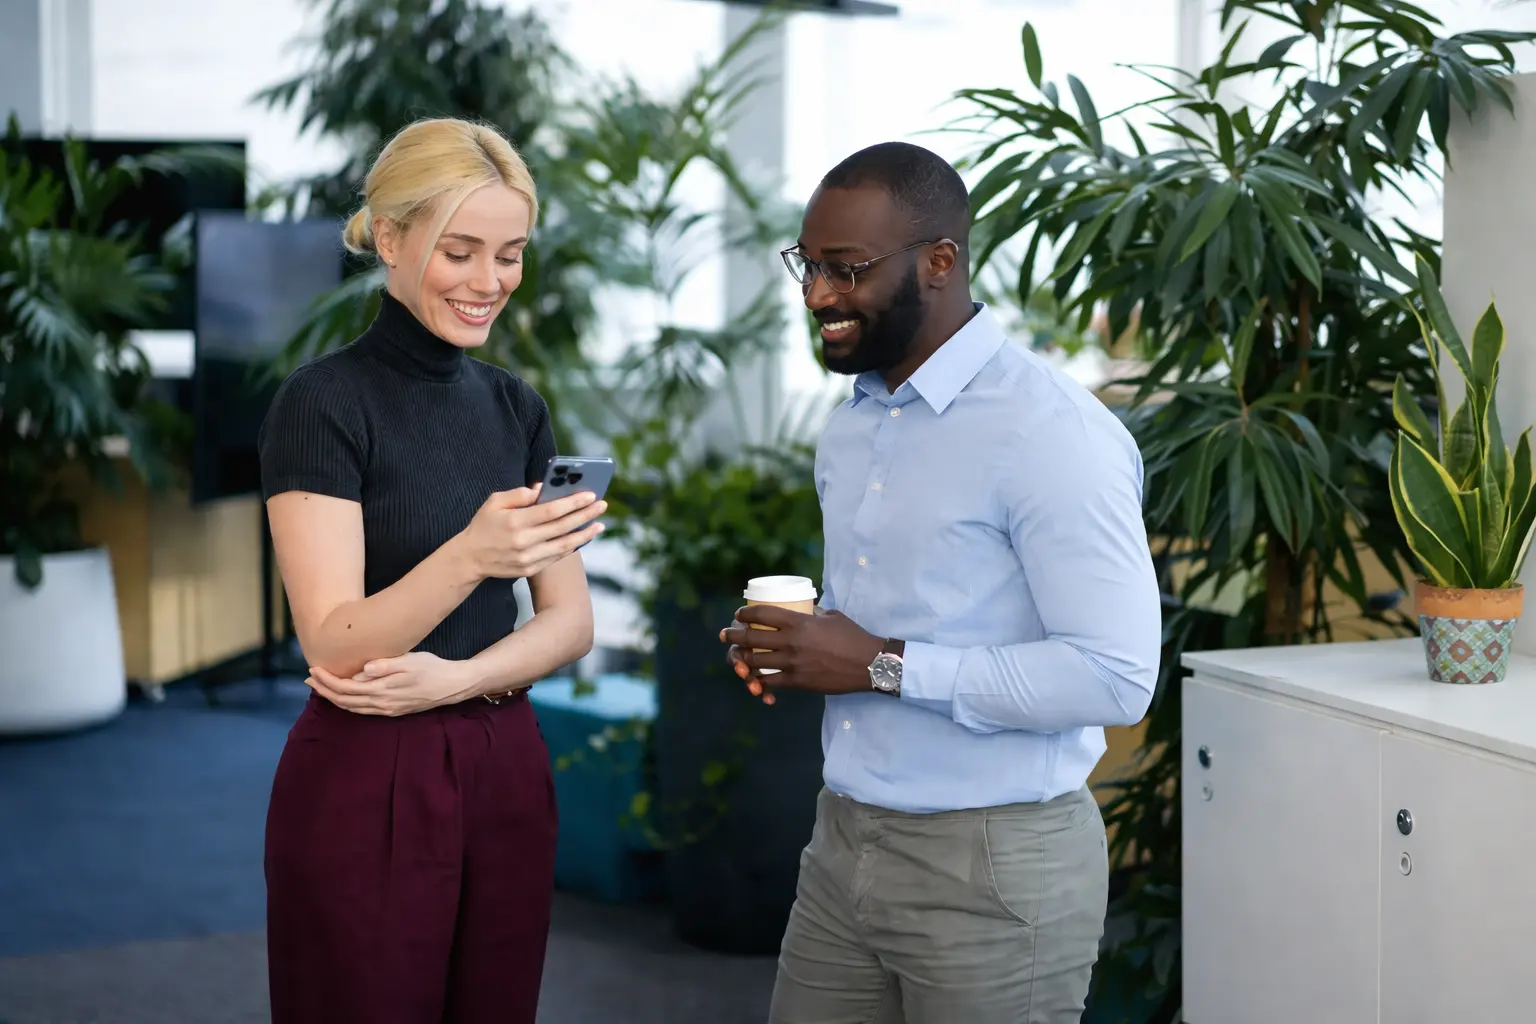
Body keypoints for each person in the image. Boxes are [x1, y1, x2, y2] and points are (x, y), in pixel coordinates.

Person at [720, 141, 1162, 1023]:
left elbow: (1116, 676)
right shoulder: (852, 426)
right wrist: (802, 646)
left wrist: (879, 664)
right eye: (808, 265)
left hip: (995, 864)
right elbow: (898, 620)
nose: (817, 295)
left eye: (847, 269)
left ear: (940, 261)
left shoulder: (1052, 433)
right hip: (843, 841)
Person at [257, 117, 606, 1024]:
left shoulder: (518, 407)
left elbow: (570, 623)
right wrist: (472, 557)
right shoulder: (322, 404)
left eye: (510, 255)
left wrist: (458, 679)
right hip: (368, 770)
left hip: (505, 765)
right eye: (460, 252)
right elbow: (334, 646)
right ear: (390, 237)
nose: (489, 281)